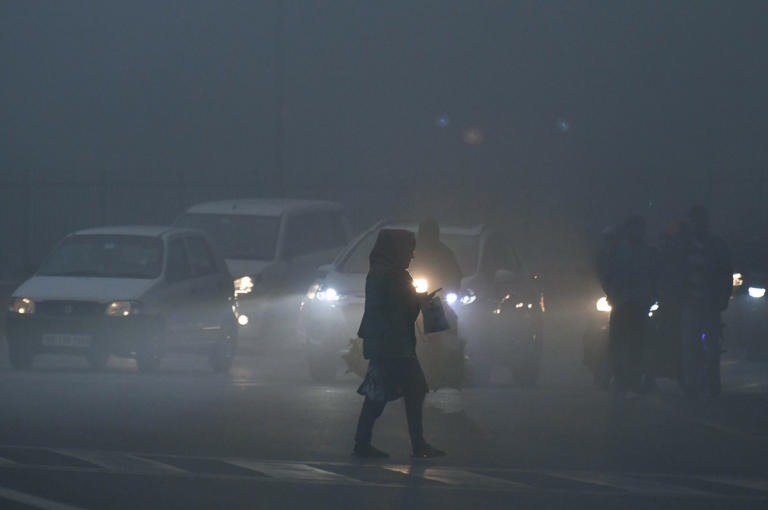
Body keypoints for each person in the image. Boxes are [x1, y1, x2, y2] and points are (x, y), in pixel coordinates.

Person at [352, 229, 446, 459]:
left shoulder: (382, 274)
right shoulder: (390, 276)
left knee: (379, 394)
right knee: (411, 390)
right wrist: (419, 301)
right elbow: (397, 309)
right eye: (408, 250)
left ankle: (363, 443)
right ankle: (417, 444)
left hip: (389, 345)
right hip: (393, 347)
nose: (411, 255)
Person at [599, 215, 657, 395]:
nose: (636, 232)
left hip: (640, 303)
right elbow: (606, 274)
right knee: (617, 342)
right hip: (621, 302)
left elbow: (654, 276)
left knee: (638, 343)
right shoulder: (617, 251)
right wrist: (611, 294)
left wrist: (651, 297)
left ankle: (635, 378)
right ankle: (618, 377)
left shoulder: (648, 252)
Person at [679, 205, 732, 400]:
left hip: (709, 304)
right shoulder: (684, 246)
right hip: (691, 303)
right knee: (690, 347)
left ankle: (711, 384)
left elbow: (726, 274)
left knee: (711, 347)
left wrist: (723, 298)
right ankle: (692, 385)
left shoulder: (717, 246)